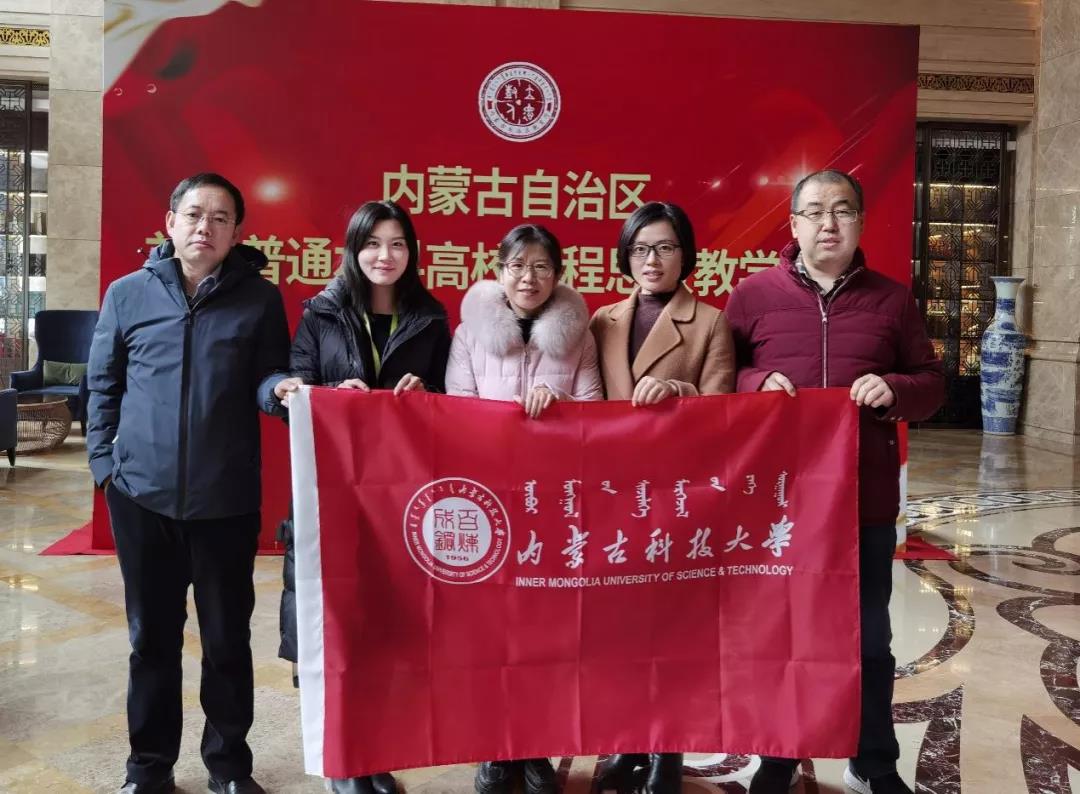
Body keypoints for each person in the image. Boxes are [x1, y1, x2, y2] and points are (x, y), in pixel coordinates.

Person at [724, 169, 945, 794]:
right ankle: (777, 755)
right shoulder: (753, 297)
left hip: (861, 505)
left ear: (860, 223)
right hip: (778, 507)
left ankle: (872, 762)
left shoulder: (892, 301)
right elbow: (720, 377)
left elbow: (932, 384)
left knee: (869, 640)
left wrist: (895, 389)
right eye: (815, 211)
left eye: (843, 211)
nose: (829, 223)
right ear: (793, 224)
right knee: (782, 637)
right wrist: (753, 383)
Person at [87, 173, 291, 794]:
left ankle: (228, 769)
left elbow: (268, 375)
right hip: (141, 498)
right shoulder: (127, 294)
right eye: (195, 214)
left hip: (225, 501)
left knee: (227, 641)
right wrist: (105, 468)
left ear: (236, 233)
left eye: (221, 218)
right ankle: (148, 769)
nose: (206, 227)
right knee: (151, 641)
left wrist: (279, 392)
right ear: (170, 222)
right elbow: (103, 384)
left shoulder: (259, 300)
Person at [273, 199, 452, 794]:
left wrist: (426, 393)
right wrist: (329, 392)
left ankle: (375, 757)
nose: (385, 255)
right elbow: (290, 390)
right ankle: (343, 764)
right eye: (372, 243)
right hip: (333, 491)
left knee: (387, 634)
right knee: (334, 626)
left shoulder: (430, 317)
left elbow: (455, 399)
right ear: (353, 250)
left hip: (400, 496)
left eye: (397, 243)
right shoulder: (321, 313)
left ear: (412, 252)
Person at [444, 223, 602, 794]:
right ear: (499, 270)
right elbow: (457, 408)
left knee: (545, 633)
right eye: (517, 265)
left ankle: (535, 748)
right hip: (489, 502)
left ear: (558, 274)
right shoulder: (468, 334)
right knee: (490, 633)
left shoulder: (579, 336)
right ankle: (495, 749)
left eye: (540, 266)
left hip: (552, 504)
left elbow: (595, 410)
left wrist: (558, 405)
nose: (528, 278)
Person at [589, 200, 735, 794]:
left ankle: (666, 753)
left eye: (666, 247)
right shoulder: (602, 320)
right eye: (641, 248)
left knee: (673, 632)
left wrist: (681, 392)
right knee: (620, 630)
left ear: (685, 255)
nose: (652, 260)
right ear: (626, 256)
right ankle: (628, 742)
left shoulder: (711, 322)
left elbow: (725, 414)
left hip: (678, 498)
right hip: (613, 495)